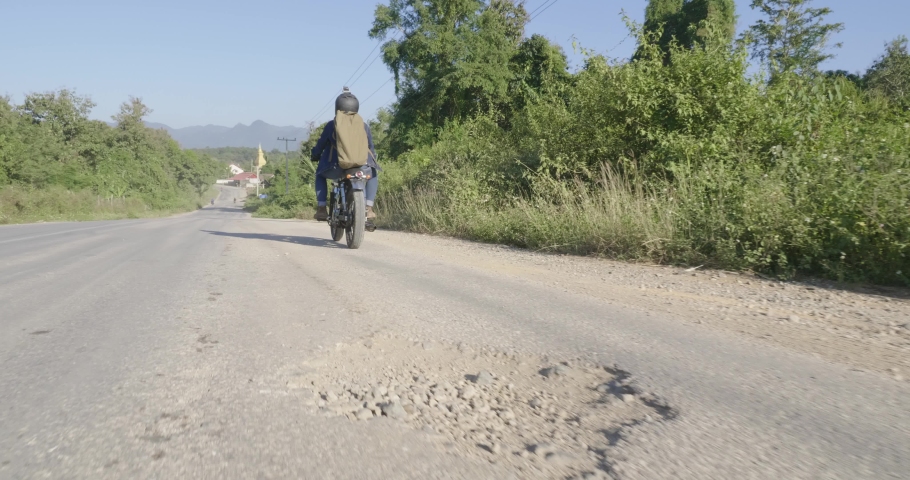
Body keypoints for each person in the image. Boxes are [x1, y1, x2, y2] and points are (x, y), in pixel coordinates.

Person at [310, 88, 379, 221]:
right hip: (362, 165)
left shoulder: (332, 125)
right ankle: (369, 208)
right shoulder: (363, 125)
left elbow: (321, 145)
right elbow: (370, 146)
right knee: (373, 173)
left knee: (319, 175)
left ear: (337, 108)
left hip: (337, 167)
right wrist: (372, 160)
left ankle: (322, 209)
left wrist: (315, 154)